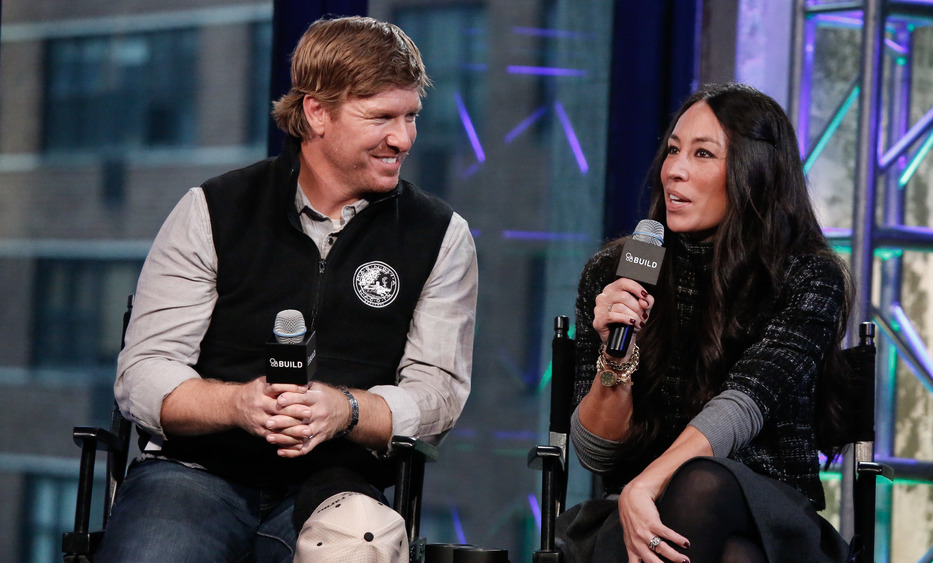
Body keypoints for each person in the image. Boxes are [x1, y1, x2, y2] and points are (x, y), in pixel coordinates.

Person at [96, 15, 478, 562]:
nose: (404, 138)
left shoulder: (442, 235)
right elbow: (144, 374)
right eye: (382, 117)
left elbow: (437, 396)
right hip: (192, 475)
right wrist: (240, 404)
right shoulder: (212, 210)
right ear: (316, 112)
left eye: (411, 116)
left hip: (337, 485)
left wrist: (345, 409)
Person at [558, 83, 854, 563]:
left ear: (753, 172)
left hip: (767, 514)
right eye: (673, 150)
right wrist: (616, 355)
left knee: (703, 485)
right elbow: (596, 455)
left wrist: (648, 483)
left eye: (702, 154)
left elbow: (744, 406)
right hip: (638, 517)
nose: (674, 170)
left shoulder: (807, 275)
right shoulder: (615, 271)